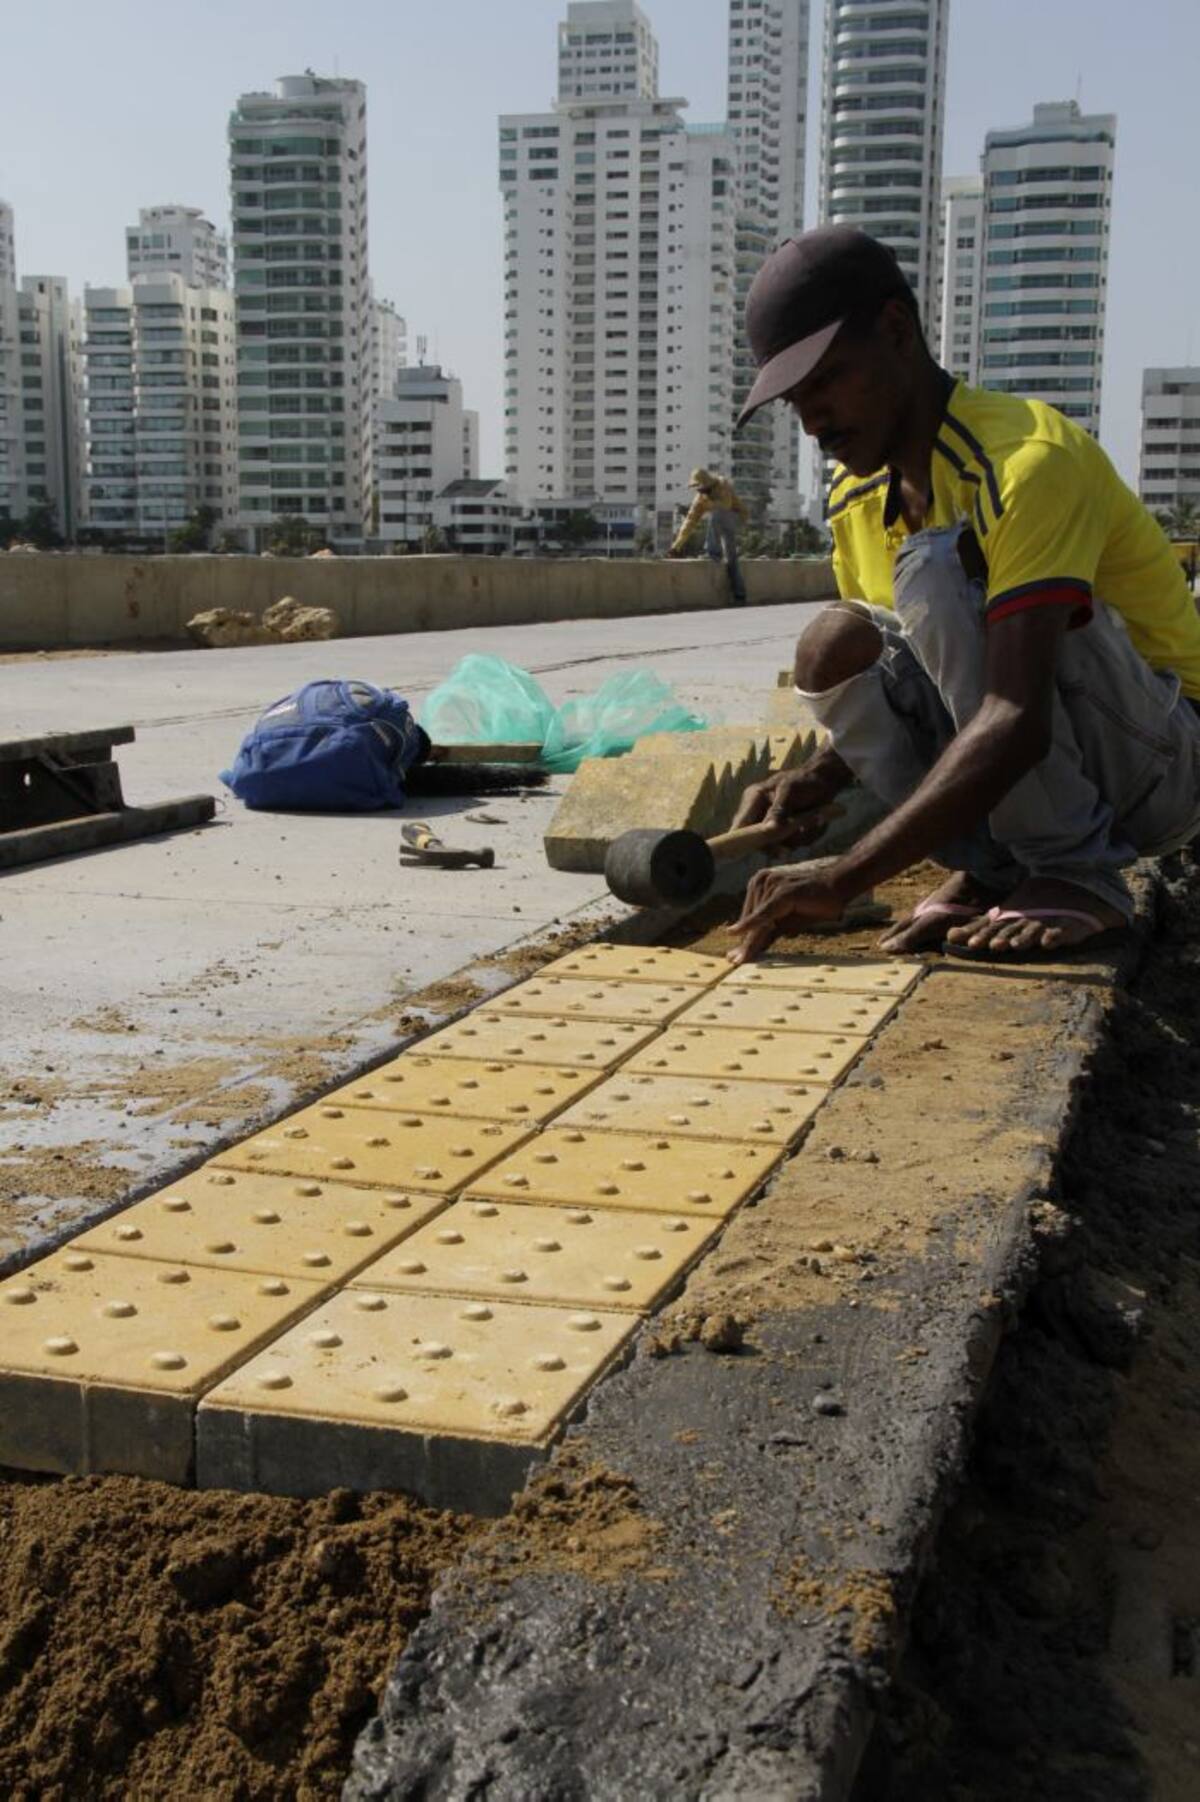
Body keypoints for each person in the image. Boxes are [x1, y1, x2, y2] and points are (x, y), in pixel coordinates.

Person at [725, 225, 1200, 965]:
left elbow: (1014, 716)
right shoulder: (857, 500)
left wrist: (845, 879)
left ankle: (1077, 871)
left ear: (895, 328)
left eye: (825, 380)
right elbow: (930, 683)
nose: (812, 420)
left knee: (941, 568)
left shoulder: (1023, 463)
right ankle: (996, 867)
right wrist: (817, 779)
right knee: (835, 645)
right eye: (794, 399)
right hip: (1053, 752)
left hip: (1162, 761)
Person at [668, 466, 748, 605]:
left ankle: (713, 552)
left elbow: (726, 505)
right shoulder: (700, 499)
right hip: (722, 521)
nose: (698, 490)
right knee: (731, 558)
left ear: (706, 482)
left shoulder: (722, 484)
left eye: (699, 486)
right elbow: (690, 521)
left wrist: (709, 502)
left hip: (736, 517)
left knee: (716, 514)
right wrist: (677, 545)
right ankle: (739, 595)